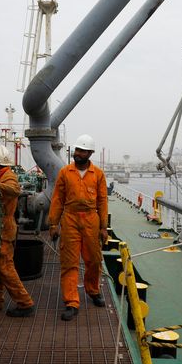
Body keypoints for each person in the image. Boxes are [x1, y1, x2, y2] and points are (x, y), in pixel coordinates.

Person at [48, 134, 108, 321]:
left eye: (83, 151)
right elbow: (57, 199)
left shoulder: (98, 174)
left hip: (91, 219)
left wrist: (104, 227)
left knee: (94, 260)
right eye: (77, 150)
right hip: (70, 219)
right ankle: (71, 302)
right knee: (69, 262)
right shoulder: (65, 172)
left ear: (90, 153)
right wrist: (53, 223)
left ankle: (93, 290)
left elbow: (102, 201)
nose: (79, 153)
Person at [0, 146, 35, 317]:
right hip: (2, 227)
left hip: (3, 228)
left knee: (5, 267)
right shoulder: (3, 175)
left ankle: (25, 303)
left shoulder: (8, 177)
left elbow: (15, 190)